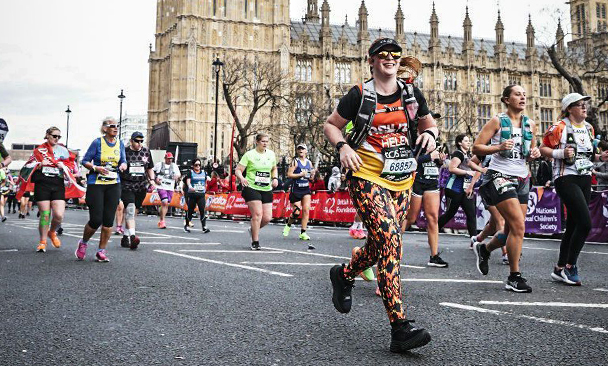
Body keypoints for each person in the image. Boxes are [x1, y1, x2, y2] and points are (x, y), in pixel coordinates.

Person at [324, 37, 437, 352]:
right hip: (366, 175)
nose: (390, 58)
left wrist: (429, 134)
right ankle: (400, 327)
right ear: (371, 60)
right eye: (383, 54)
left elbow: (429, 124)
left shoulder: (411, 95)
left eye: (395, 55)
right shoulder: (360, 95)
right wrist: (343, 146)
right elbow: (331, 125)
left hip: (401, 180)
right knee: (390, 241)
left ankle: (344, 274)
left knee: (380, 244)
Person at [472, 85, 541, 293]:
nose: (522, 97)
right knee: (519, 226)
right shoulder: (496, 121)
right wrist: (499, 147)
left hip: (522, 177)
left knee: (512, 229)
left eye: (524, 94)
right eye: (518, 94)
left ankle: (484, 249)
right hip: (498, 176)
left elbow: (527, 153)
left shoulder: (531, 124)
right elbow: (477, 148)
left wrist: (534, 153)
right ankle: (514, 276)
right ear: (506, 99)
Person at [540, 93, 608, 285]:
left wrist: (599, 158)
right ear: (569, 109)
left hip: (585, 177)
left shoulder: (589, 128)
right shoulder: (559, 127)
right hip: (566, 178)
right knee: (585, 223)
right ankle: (570, 266)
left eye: (584, 104)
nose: (584, 108)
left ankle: (559, 268)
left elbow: (587, 155)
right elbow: (543, 148)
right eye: (579, 105)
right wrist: (560, 152)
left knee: (573, 225)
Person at [75, 117, 127, 262]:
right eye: (112, 126)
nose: (115, 128)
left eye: (117, 126)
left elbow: (123, 160)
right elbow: (85, 161)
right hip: (96, 184)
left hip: (113, 184)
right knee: (96, 219)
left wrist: (123, 165)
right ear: (104, 128)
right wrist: (96, 168)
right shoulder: (97, 143)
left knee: (108, 221)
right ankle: (83, 242)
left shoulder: (120, 144)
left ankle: (101, 251)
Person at [27, 127, 73, 252]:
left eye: (59, 136)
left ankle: (52, 232)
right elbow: (28, 166)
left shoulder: (63, 151)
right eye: (54, 136)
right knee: (45, 214)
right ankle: (42, 242)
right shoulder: (39, 150)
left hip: (57, 183)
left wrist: (62, 165)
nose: (56, 138)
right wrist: (39, 164)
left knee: (59, 215)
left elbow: (72, 167)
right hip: (43, 184)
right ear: (47, 135)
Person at [405, 148, 448, 267]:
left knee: (433, 218)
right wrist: (429, 157)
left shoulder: (437, 143)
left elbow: (437, 163)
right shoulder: (418, 141)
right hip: (417, 181)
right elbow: (409, 160)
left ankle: (434, 256)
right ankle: (389, 246)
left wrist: (440, 160)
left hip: (432, 182)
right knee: (410, 219)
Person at [235, 132, 278, 250]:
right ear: (257, 142)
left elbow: (274, 168)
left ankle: (253, 229)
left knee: (267, 217)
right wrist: (242, 178)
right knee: (257, 214)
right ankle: (255, 241)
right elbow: (238, 170)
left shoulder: (271, 154)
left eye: (267, 141)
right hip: (251, 187)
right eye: (263, 141)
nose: (265, 143)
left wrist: (275, 178)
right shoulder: (249, 155)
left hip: (266, 188)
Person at [468, 155, 509, 264]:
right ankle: (505, 253)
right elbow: (474, 164)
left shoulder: (508, 149)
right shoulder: (487, 150)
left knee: (493, 223)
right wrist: (471, 185)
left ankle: (477, 239)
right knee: (500, 221)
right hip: (488, 189)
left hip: (503, 188)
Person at [119, 131, 155, 250]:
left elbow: (149, 168)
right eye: (136, 141)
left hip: (141, 186)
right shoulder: (124, 151)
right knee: (130, 209)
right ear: (131, 141)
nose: (139, 143)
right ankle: (133, 237)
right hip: (127, 185)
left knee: (134, 211)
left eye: (141, 141)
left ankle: (125, 237)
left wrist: (153, 180)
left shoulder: (146, 151)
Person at [437, 134, 477, 240]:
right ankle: (433, 230)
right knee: (450, 213)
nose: (469, 142)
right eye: (466, 141)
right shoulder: (457, 153)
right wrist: (468, 172)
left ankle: (474, 241)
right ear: (460, 143)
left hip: (465, 189)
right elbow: (452, 168)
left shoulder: (467, 155)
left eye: (469, 141)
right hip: (454, 188)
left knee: (471, 214)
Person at [282, 143, 315, 248]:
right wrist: (300, 174)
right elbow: (289, 174)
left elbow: (311, 177)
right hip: (296, 190)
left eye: (303, 149)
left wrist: (312, 175)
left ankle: (303, 232)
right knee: (296, 213)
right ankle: (288, 224)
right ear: (297, 151)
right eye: (299, 149)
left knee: (306, 210)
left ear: (306, 151)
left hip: (305, 189)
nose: (301, 150)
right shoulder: (295, 162)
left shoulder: (309, 163)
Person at [154, 152, 181, 229]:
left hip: (170, 187)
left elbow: (179, 175)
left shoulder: (175, 166)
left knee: (166, 204)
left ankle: (161, 216)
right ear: (165, 158)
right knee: (164, 202)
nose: (170, 160)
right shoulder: (159, 164)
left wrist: (177, 176)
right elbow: (152, 171)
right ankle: (162, 221)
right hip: (161, 186)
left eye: (171, 159)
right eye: (168, 159)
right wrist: (155, 179)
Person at [183, 158, 211, 234]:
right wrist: (190, 187)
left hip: (201, 194)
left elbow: (205, 182)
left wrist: (205, 188)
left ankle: (204, 227)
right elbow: (188, 182)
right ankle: (186, 225)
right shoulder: (190, 173)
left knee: (202, 210)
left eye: (199, 165)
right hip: (192, 195)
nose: (198, 166)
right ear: (193, 165)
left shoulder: (204, 173)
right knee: (190, 211)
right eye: (196, 165)